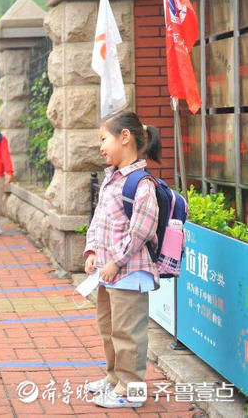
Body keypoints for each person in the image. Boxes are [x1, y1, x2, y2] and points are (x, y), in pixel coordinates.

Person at [83, 111, 162, 409]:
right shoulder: (111, 180)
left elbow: (142, 229)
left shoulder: (141, 184)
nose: (101, 146)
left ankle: (131, 391)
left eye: (104, 139)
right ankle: (115, 378)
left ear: (125, 138)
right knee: (110, 329)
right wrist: (92, 252)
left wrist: (115, 260)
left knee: (128, 334)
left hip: (129, 273)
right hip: (108, 273)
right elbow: (98, 221)